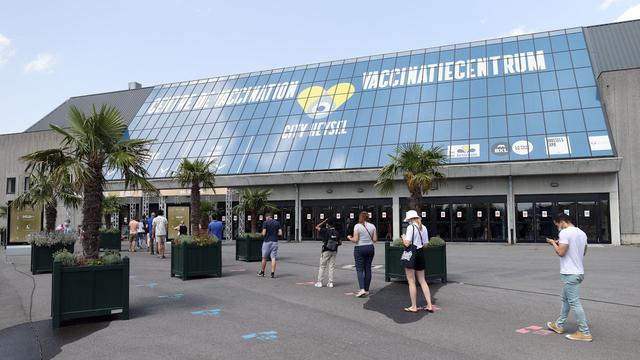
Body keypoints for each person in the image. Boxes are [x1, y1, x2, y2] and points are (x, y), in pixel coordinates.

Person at [546, 213, 592, 342]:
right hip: (579, 272)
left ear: (562, 221)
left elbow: (561, 252)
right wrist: (560, 243)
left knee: (574, 302)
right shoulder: (582, 233)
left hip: (570, 273)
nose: (557, 228)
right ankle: (559, 325)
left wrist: (553, 243)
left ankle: (584, 332)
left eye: (557, 225)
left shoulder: (565, 233)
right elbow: (583, 251)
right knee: (566, 299)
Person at [401, 210, 434, 313]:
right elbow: (426, 244)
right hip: (420, 253)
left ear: (410, 219)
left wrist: (403, 237)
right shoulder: (423, 227)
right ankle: (429, 305)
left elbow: (407, 243)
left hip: (411, 255)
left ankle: (414, 306)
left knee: (411, 281)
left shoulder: (411, 227)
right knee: (422, 280)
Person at [347, 211, 377, 298]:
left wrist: (349, 238)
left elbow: (355, 240)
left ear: (360, 217)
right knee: (368, 268)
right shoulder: (372, 226)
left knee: (360, 269)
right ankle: (367, 289)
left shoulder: (357, 226)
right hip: (370, 248)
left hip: (360, 248)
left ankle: (362, 289)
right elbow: (375, 239)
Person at [315, 218, 341, 288]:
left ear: (327, 224)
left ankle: (319, 282)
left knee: (322, 266)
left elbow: (317, 227)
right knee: (331, 267)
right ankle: (330, 282)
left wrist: (323, 221)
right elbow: (340, 242)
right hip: (334, 250)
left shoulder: (325, 230)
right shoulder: (336, 232)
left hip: (326, 250)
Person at [258, 213, 282, 278]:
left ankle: (262, 272)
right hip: (275, 242)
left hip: (267, 242)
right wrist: (274, 233)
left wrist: (260, 234)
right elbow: (280, 233)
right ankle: (272, 273)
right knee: (273, 258)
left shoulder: (265, 223)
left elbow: (263, 233)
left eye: (266, 218)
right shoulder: (277, 223)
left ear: (267, 217)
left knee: (264, 258)